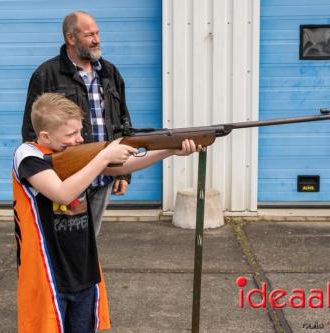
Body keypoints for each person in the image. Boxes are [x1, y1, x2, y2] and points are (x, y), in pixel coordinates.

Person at [13, 93, 200, 333]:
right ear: (45, 135)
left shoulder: (74, 151)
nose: (79, 139)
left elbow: (121, 166)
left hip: (83, 266)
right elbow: (62, 194)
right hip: (48, 269)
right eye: (71, 135)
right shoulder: (28, 155)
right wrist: (103, 157)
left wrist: (171, 150)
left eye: (80, 132)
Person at [21, 10, 132, 236]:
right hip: (67, 180)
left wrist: (122, 173)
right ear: (71, 38)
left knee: (91, 240)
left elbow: (123, 122)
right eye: (89, 34)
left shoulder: (109, 72)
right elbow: (32, 132)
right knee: (65, 244)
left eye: (97, 33)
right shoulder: (46, 74)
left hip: (103, 177)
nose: (97, 39)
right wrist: (50, 177)